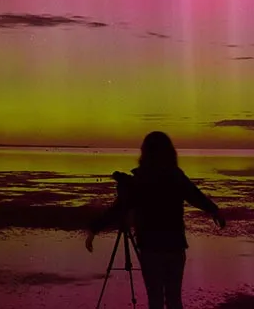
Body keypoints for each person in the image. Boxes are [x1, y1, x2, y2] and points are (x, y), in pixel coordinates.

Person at [85, 131, 226, 309]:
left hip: (151, 248)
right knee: (174, 300)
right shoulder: (175, 175)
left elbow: (118, 209)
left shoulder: (141, 180)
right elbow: (195, 196)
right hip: (174, 246)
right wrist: (215, 211)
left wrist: (94, 230)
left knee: (156, 301)